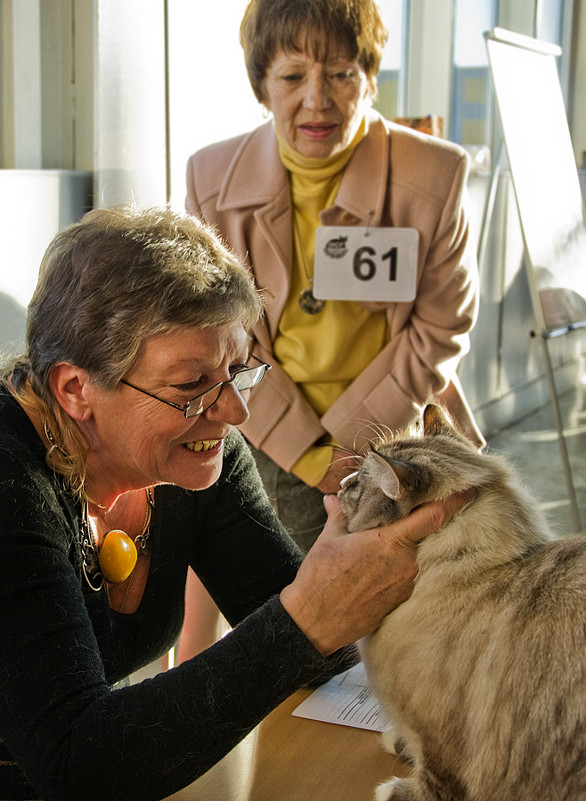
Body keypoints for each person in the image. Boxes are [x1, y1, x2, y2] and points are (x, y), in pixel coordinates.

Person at [0, 204, 470, 801]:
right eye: (191, 385)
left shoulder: (192, 452)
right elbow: (77, 761)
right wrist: (310, 617)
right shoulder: (11, 486)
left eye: (238, 372)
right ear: (76, 389)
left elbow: (306, 645)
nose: (234, 413)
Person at [185, 0, 484, 554]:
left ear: (369, 78)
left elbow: (442, 327)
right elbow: (218, 337)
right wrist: (309, 453)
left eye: (341, 74)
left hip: (395, 428)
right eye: (293, 75)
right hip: (268, 424)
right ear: (262, 84)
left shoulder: (437, 174)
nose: (317, 99)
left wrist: (354, 444)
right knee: (291, 609)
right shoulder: (210, 177)